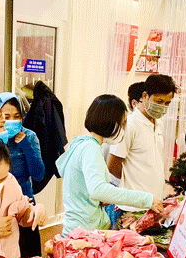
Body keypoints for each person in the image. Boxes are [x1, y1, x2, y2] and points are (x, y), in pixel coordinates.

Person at [56, 94, 164, 235]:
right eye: (122, 123)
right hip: (83, 233)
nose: (123, 129)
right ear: (110, 121)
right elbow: (98, 190)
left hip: (80, 229)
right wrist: (147, 199)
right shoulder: (91, 148)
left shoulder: (81, 144)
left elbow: (85, 188)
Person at [106, 74, 178, 225]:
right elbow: (112, 164)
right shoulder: (129, 124)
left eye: (167, 103)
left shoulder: (159, 124)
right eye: (159, 101)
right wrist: (131, 181)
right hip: (132, 209)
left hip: (153, 204)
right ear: (145, 96)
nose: (163, 107)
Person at [0, 92, 46, 258]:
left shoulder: (29, 137)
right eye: (6, 116)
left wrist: (25, 147)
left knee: (28, 255)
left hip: (25, 204)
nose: (11, 121)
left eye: (16, 116)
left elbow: (38, 174)